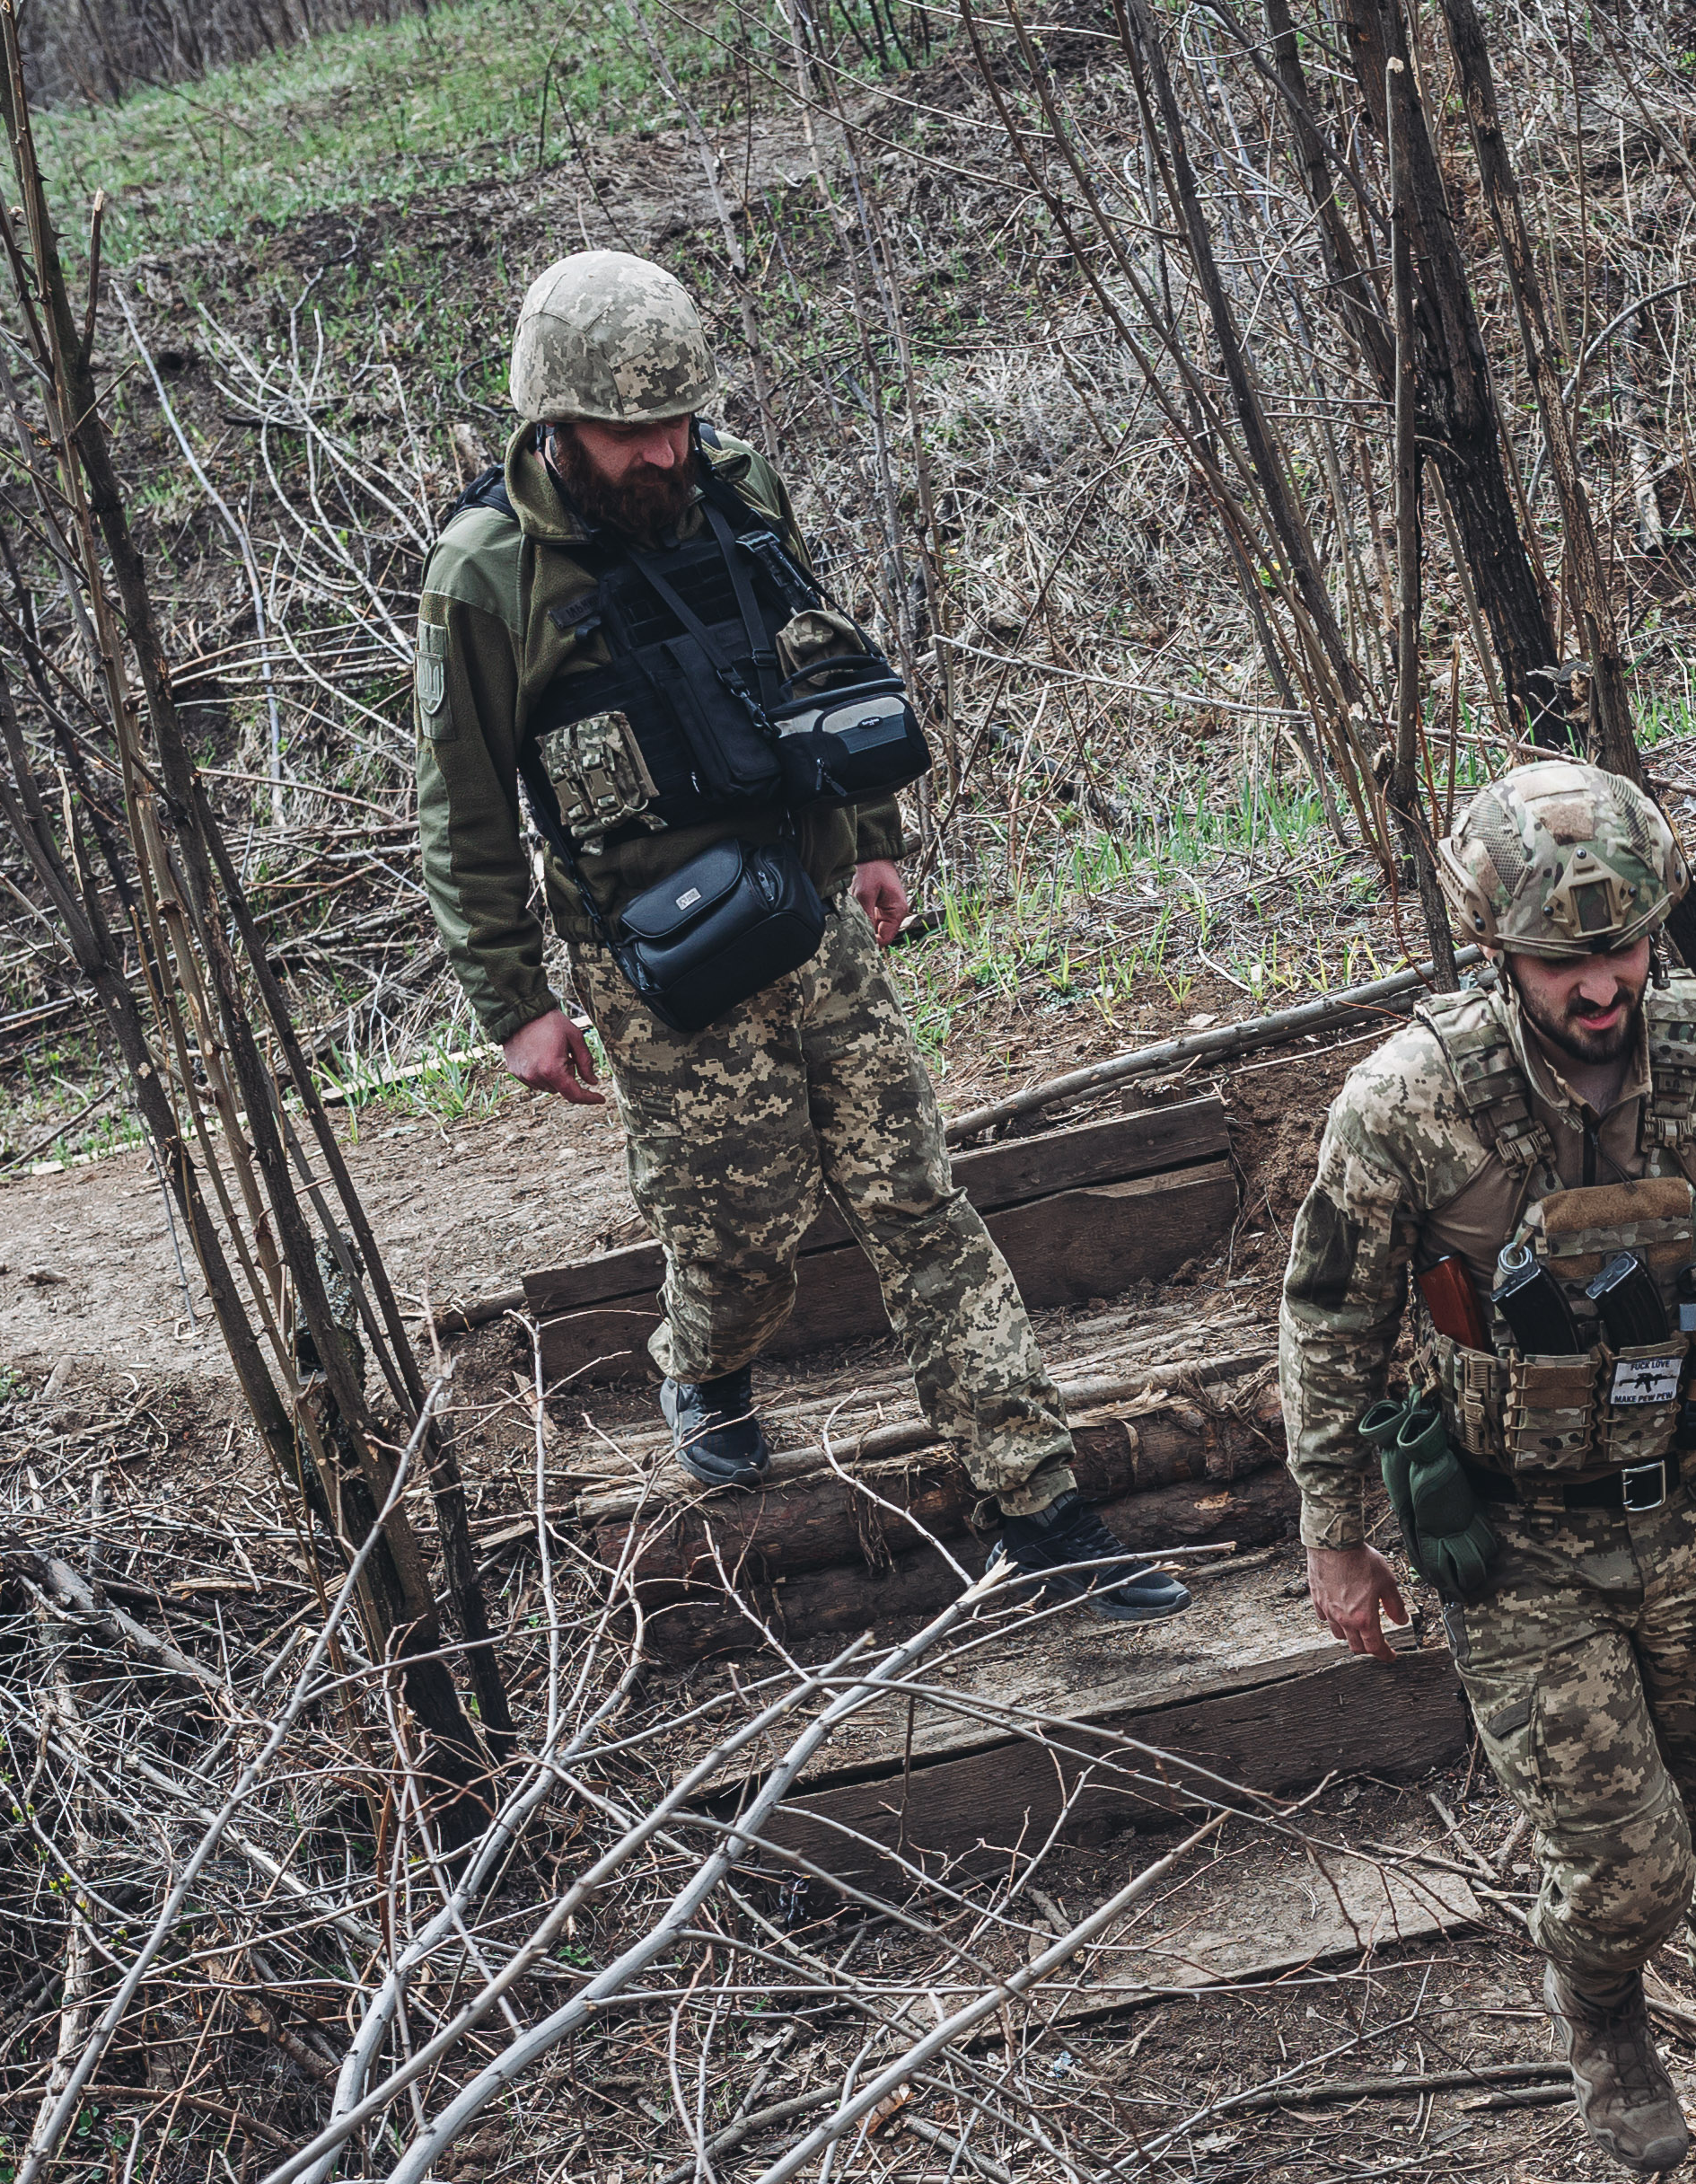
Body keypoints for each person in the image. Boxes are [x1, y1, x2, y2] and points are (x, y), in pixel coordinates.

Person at [412, 248, 1179, 1616]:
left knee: (916, 1204)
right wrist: (513, 998)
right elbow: (459, 802)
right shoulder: (489, 579)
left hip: (808, 909)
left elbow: (818, 669)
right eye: (630, 433)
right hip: (660, 971)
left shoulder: (736, 490)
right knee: (745, 1236)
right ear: (555, 425)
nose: (662, 455)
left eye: (678, 423)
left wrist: (871, 843)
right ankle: (702, 1363)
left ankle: (1041, 1507)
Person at [1281, 762, 1696, 2184]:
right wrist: (1336, 1534)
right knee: (1626, 1867)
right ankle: (1598, 2013)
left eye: (1625, 945)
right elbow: (1328, 1319)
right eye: (1564, 958)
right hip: (1518, 1536)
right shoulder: (1408, 1105)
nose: (1603, 984)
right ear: (1496, 953)